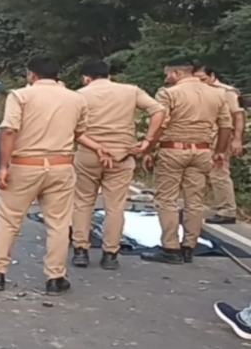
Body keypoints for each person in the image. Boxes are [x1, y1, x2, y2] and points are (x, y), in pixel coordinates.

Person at [0, 55, 113, 296]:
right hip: (61, 167)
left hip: (25, 166)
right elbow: (78, 133)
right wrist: (98, 147)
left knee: (8, 220)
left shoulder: (21, 96)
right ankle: (56, 278)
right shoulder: (76, 98)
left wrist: (3, 167)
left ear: (32, 74)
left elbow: (9, 131)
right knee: (59, 224)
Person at [71, 59, 166, 270]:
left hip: (89, 154)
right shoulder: (131, 91)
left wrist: (96, 147)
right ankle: (110, 254)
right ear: (109, 75)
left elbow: (73, 128)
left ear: (86, 78)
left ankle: (80, 250)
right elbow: (159, 111)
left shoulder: (78, 96)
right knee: (115, 206)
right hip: (122, 154)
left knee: (83, 202)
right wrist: (147, 142)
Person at [140, 59, 232, 265]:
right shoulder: (218, 94)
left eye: (168, 74)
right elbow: (226, 125)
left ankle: (170, 247)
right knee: (195, 200)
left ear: (178, 74)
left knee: (167, 199)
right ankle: (189, 246)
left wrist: (148, 149)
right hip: (202, 150)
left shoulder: (168, 94)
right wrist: (219, 151)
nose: (166, 78)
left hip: (173, 149)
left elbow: (161, 124)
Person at [194, 65, 245, 225]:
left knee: (219, 172)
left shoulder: (226, 92)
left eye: (203, 79)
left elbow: (238, 116)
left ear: (212, 76)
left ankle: (227, 210)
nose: (201, 82)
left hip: (221, 137)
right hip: (204, 135)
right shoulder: (198, 91)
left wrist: (237, 139)